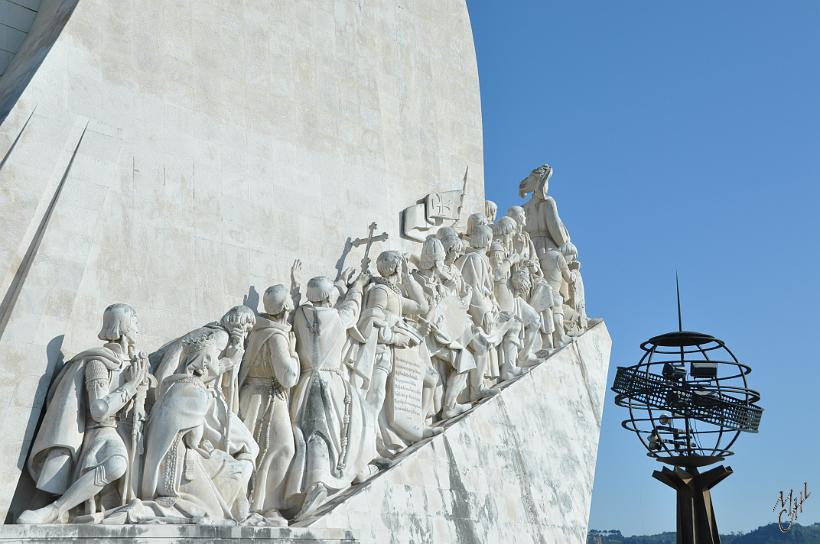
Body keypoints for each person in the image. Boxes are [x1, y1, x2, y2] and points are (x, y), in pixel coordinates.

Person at [18, 304, 151, 524]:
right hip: (100, 430)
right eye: (135, 322)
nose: (139, 328)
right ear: (123, 326)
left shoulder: (135, 363)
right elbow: (99, 410)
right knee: (116, 464)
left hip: (129, 432)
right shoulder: (98, 362)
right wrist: (131, 384)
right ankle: (54, 510)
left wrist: (143, 382)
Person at [287, 273, 375, 519]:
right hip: (330, 382)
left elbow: (321, 300)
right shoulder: (336, 317)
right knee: (345, 426)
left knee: (314, 431)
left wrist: (336, 286)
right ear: (328, 298)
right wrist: (356, 286)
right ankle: (329, 478)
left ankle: (323, 478)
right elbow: (352, 308)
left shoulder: (299, 316)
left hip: (305, 383)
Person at [238, 284, 300, 524]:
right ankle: (266, 506)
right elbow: (289, 377)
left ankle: (257, 503)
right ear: (285, 310)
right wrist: (294, 352)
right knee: (281, 448)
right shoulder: (276, 337)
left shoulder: (260, 330)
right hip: (268, 397)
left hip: (254, 395)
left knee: (262, 449)